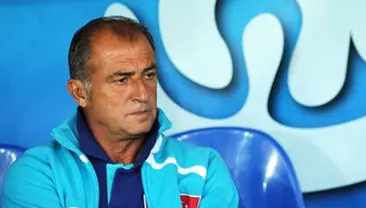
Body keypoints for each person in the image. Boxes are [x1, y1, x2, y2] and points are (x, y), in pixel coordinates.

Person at [1, 16, 238, 208]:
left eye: (149, 75)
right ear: (79, 93)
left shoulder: (203, 169)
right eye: (122, 80)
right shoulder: (39, 174)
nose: (143, 94)